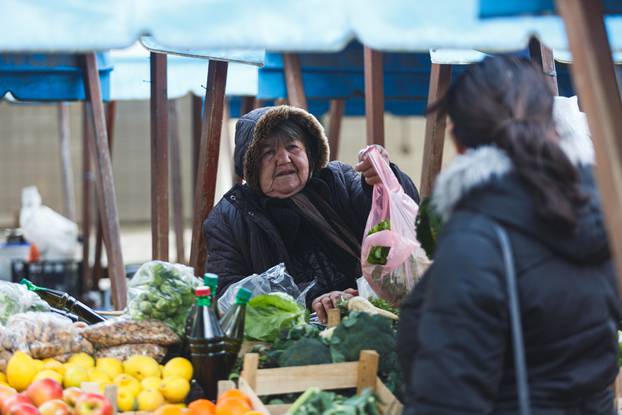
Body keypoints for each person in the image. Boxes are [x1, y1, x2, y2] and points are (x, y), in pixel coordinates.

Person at [398, 56, 620, 414]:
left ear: (459, 143)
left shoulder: (478, 238)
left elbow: (448, 397)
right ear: (550, 126)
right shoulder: (602, 210)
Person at [203, 105, 419, 322]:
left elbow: (403, 205)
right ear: (249, 165)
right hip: (289, 339)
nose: (284, 159)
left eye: (293, 147)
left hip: (375, 314)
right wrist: (308, 300)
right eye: (268, 152)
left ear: (309, 152)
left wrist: (384, 177)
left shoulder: (339, 181)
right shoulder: (227, 218)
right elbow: (226, 296)